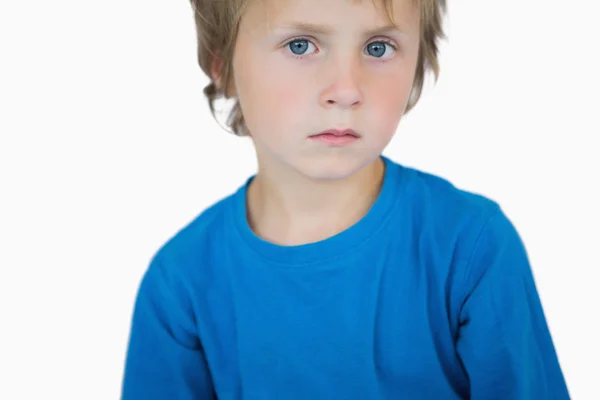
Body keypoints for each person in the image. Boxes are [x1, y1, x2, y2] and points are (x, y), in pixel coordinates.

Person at [121, 0, 570, 398]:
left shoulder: (471, 247)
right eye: (300, 45)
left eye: (378, 48)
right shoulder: (180, 282)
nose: (346, 89)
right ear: (223, 66)